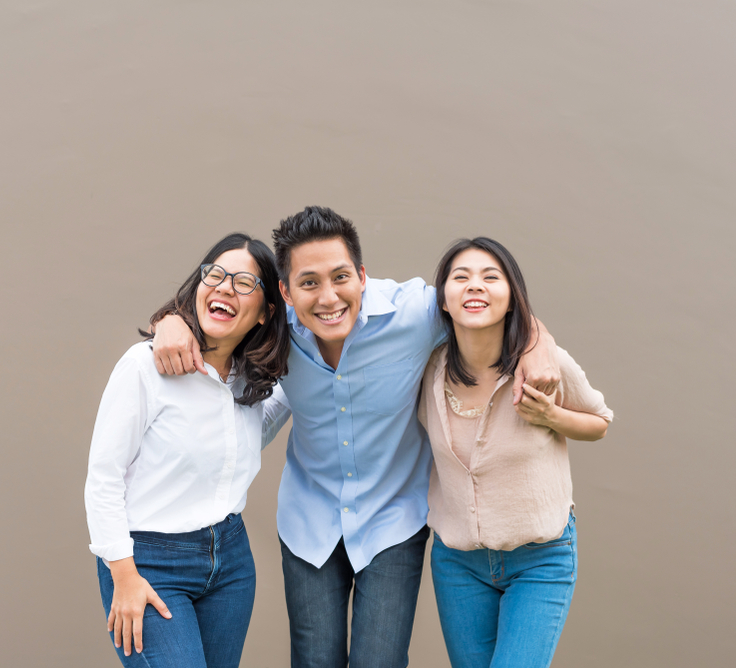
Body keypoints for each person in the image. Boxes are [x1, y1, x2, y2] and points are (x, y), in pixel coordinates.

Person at [152, 207, 561, 668]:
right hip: (310, 520)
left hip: (393, 518)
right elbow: (218, 311)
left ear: (362, 275)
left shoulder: (414, 313)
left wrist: (535, 343)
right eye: (309, 283)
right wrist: (172, 319)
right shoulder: (274, 326)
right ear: (285, 292)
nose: (328, 297)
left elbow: (487, 302)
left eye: (341, 277)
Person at [84, 232, 291, 668]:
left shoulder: (248, 381)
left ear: (265, 312)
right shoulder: (145, 366)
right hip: (149, 563)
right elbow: (103, 479)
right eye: (214, 275)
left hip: (230, 563)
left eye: (243, 283)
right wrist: (123, 575)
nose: (223, 287)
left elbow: (254, 431)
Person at [417, 237, 612, 668]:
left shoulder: (546, 365)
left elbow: (600, 422)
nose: (475, 287)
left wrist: (552, 417)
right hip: (458, 564)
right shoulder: (426, 369)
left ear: (511, 299)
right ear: (444, 301)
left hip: (540, 559)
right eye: (460, 277)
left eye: (491, 277)